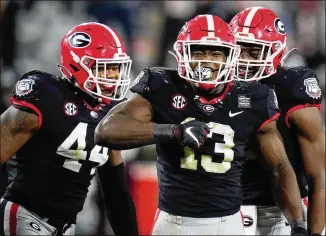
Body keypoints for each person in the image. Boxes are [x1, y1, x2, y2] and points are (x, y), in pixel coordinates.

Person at [95, 14, 307, 235]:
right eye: (198, 51)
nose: (207, 60)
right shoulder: (163, 86)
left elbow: (279, 168)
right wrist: (172, 131)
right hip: (173, 221)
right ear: (182, 54)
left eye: (216, 52)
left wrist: (298, 224)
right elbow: (106, 131)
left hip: (228, 223)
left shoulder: (253, 97)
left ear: (231, 56)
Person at [0, 22, 138, 236]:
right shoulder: (47, 95)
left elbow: (115, 191)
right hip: (25, 214)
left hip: (66, 226)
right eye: (104, 67)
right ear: (77, 65)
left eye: (116, 67)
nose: (112, 75)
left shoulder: (112, 112)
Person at [229, 7, 325, 236]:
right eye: (236, 49)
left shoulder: (292, 89)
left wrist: (312, 231)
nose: (242, 59)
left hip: (280, 213)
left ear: (276, 52)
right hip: (223, 208)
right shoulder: (217, 88)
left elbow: (319, 176)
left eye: (252, 51)